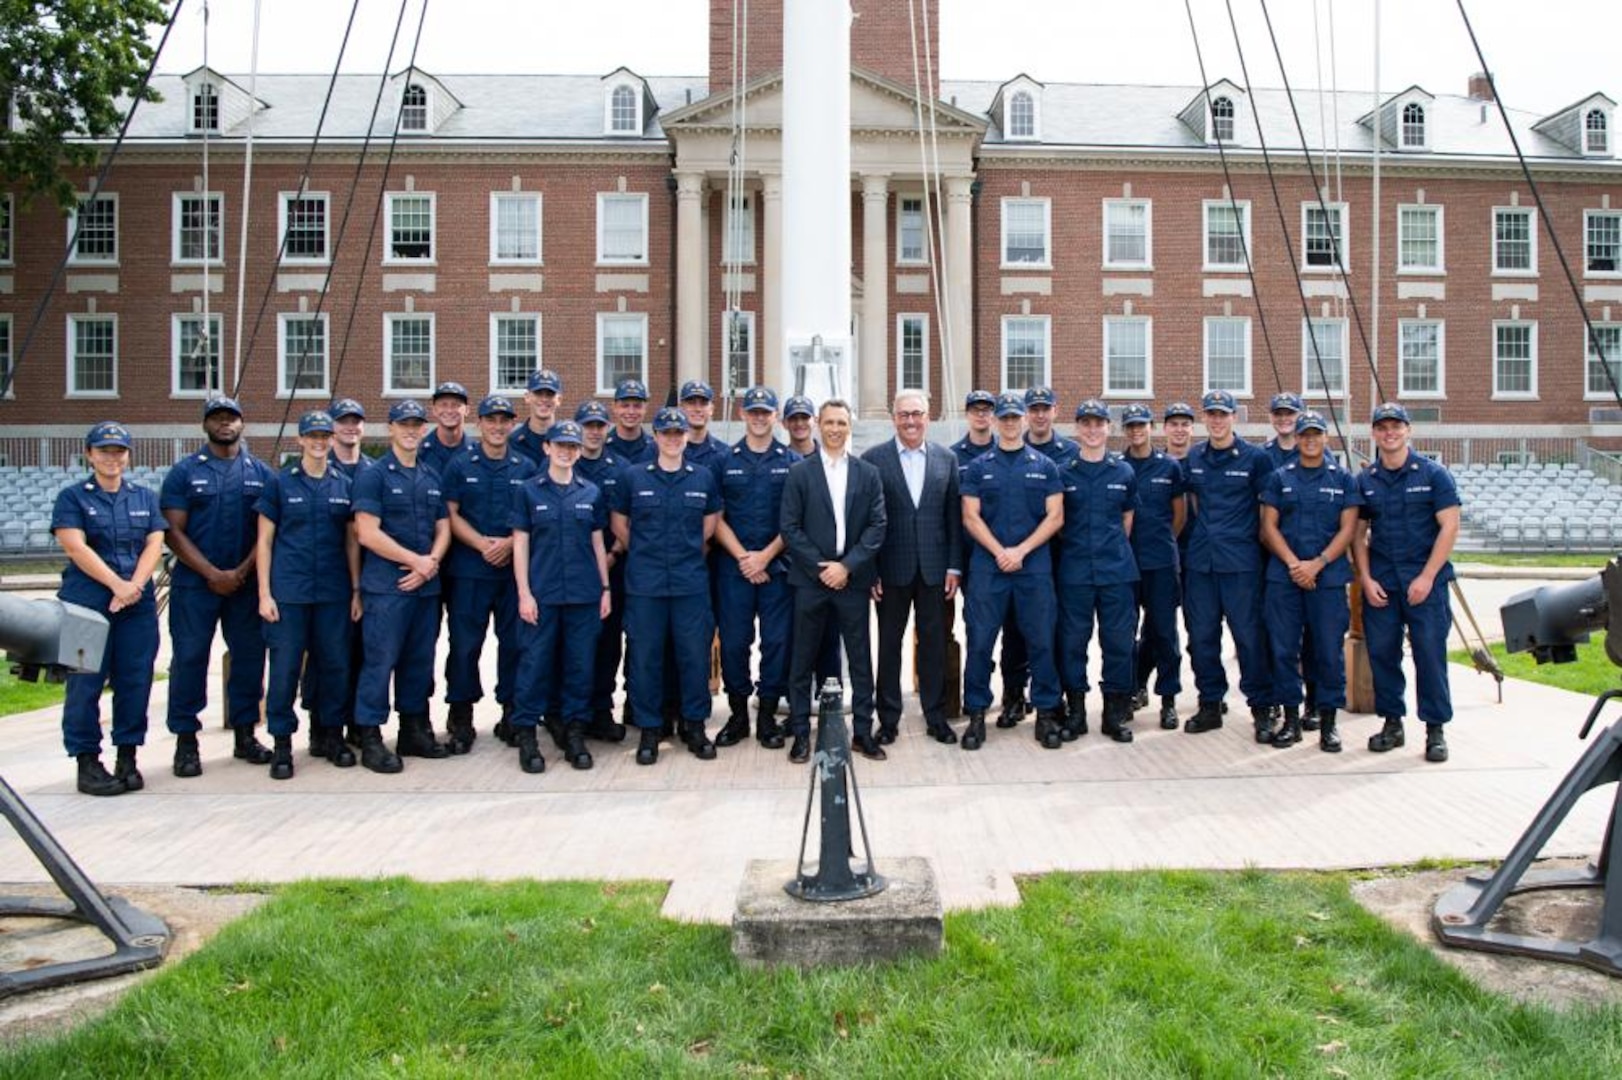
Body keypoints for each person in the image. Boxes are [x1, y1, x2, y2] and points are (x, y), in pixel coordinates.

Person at [160, 396, 274, 778]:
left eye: (231, 418)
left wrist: (240, 572)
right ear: (205, 425)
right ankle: (186, 741)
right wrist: (211, 572)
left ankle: (245, 734)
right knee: (190, 659)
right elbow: (173, 531)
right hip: (195, 584)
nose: (225, 424)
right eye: (217, 418)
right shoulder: (185, 472)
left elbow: (267, 533)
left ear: (243, 423)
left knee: (249, 659)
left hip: (244, 584)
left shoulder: (260, 473)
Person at [51, 422, 166, 796]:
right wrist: (116, 585)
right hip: (86, 603)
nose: (111, 458)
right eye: (104, 451)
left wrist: (132, 586)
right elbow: (75, 547)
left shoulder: (143, 498)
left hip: (136, 603)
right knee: (84, 681)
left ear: (128, 455)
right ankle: (87, 761)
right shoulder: (73, 497)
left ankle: (127, 757)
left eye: (118, 451)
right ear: (90, 454)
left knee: (135, 680)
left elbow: (154, 544)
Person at [610, 407, 722, 765]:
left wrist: (685, 554)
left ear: (687, 437)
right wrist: (646, 553)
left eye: (679, 433)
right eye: (666, 433)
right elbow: (619, 524)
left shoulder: (702, 477)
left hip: (690, 583)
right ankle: (649, 729)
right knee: (645, 658)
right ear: (655, 437)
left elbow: (709, 526)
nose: (673, 439)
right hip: (646, 584)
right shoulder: (634, 476)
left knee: (693, 656)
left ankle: (694, 726)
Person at [1352, 402, 1461, 763]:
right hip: (1383, 582)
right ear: (1374, 434)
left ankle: (1435, 730)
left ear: (1408, 430)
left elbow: (1450, 526)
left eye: (1396, 426)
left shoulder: (1433, 474)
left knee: (1430, 655)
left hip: (1424, 584)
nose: (1389, 433)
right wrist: (1365, 579)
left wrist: (1428, 576)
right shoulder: (1366, 481)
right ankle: (1392, 723)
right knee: (1383, 654)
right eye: (1382, 427)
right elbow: (1359, 534)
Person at [780, 399, 888, 762]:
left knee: (860, 660)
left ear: (849, 426)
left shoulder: (866, 472)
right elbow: (790, 528)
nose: (835, 429)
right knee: (802, 659)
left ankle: (861, 732)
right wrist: (823, 568)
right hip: (810, 582)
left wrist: (848, 566)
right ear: (817, 425)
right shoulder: (800, 473)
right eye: (829, 422)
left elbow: (877, 526)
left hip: (853, 582)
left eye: (842, 422)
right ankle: (799, 734)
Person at [255, 411, 361, 779]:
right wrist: (264, 593)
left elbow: (351, 541)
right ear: (300, 440)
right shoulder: (280, 484)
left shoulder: (342, 484)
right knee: (284, 670)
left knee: (335, 665)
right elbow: (264, 542)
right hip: (290, 592)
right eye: (311, 436)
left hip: (332, 591)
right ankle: (282, 743)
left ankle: (331, 734)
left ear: (332, 439)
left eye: (324, 436)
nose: (318, 442)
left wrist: (355, 590)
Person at [959, 393, 1064, 752]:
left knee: (1041, 641)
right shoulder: (978, 467)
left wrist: (1020, 550)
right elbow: (970, 516)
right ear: (995, 421)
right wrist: (999, 551)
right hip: (988, 568)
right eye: (1002, 417)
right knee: (980, 642)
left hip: (1032, 567)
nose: (1008, 423)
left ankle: (1047, 711)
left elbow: (1056, 516)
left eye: (1013, 417)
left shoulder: (1045, 465)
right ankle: (976, 712)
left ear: (1023, 421)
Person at [351, 399, 452, 770]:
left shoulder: (430, 475)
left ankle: (413, 730)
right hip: (388, 587)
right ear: (390, 428)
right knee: (380, 662)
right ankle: (372, 736)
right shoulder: (374, 475)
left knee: (419, 662)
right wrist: (416, 562)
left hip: (425, 587)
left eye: (416, 424)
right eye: (403, 424)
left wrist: (432, 563)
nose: (411, 430)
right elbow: (366, 532)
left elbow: (443, 527)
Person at [863, 390, 962, 746]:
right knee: (889, 646)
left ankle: (936, 717)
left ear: (928, 416)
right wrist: (870, 570)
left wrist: (954, 566)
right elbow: (868, 520)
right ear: (893, 418)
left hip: (935, 571)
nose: (910, 421)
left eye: (916, 414)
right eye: (904, 414)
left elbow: (953, 516)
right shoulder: (874, 460)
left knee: (933, 645)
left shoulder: (946, 459)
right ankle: (888, 719)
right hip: (890, 571)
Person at [513, 421, 612, 773]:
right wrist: (524, 593)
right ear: (547, 448)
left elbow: (598, 543)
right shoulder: (528, 491)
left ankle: (574, 732)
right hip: (544, 593)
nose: (567, 451)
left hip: (584, 595)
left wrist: (605, 588)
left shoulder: (591, 491)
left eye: (572, 446)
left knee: (579, 667)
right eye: (560, 445)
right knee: (534, 665)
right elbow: (521, 545)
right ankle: (526, 735)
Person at [1259, 410, 1361, 752]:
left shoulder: (1343, 479)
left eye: (1316, 434)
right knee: (1284, 650)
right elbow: (1268, 526)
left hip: (1327, 579)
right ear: (1298, 439)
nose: (1310, 440)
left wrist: (1316, 564)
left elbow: (1348, 528)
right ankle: (1290, 720)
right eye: (1305, 435)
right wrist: (1293, 564)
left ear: (1326, 438)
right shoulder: (1279, 477)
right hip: (1284, 578)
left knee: (1328, 652)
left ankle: (1328, 723)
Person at [441, 395, 537, 753]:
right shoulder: (459, 465)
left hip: (512, 573)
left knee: (514, 644)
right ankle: (461, 716)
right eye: (491, 419)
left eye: (504, 420)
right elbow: (449, 513)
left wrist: (511, 545)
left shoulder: (526, 467)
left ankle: (511, 712)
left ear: (512, 424)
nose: (498, 426)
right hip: (469, 570)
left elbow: (533, 517)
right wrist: (482, 544)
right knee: (465, 647)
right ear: (478, 423)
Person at [1180, 389, 1275, 740]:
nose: (1217, 420)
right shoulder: (1194, 458)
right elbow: (1181, 502)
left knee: (1249, 637)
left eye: (1224, 414)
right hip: (1202, 565)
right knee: (1202, 638)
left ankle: (1261, 707)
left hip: (1241, 564)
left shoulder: (1255, 459)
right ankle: (1210, 703)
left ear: (1235, 417)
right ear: (1204, 418)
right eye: (1212, 414)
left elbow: (1268, 513)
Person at [711, 387, 800, 749]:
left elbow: (795, 519)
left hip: (777, 569)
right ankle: (736, 715)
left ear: (776, 415)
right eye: (753, 412)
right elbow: (715, 518)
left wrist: (765, 557)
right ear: (744, 416)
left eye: (766, 412)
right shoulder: (723, 461)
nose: (760, 418)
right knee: (734, 643)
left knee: (777, 643)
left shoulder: (792, 461)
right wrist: (745, 559)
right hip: (735, 570)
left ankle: (766, 716)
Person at [1053, 399, 1141, 745]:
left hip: (1116, 572)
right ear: (1077, 428)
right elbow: (1058, 523)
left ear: (1109, 428)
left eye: (1098, 423)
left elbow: (1127, 520)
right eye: (1086, 423)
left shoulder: (1124, 472)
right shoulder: (1064, 472)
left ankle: (1114, 713)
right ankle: (1076, 712)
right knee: (1072, 642)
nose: (1092, 430)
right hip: (1075, 572)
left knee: (1118, 643)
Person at [1121, 404, 1186, 730]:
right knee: (1125, 633)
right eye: (1130, 426)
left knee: (1164, 633)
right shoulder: (1117, 467)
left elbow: (1179, 515)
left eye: (1141, 424)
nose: (1136, 431)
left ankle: (1169, 699)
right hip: (1126, 565)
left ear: (1151, 427)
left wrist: (1164, 542)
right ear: (1124, 430)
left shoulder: (1169, 467)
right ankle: (1130, 691)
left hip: (1160, 562)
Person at [315, 397, 373, 751]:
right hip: (325, 576)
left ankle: (353, 721)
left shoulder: (373, 470)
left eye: (355, 421)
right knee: (327, 655)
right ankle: (321, 725)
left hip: (369, 575)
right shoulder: (317, 467)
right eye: (342, 422)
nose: (349, 428)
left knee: (362, 653)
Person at [573, 399, 632, 743]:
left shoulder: (621, 468)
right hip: (572, 574)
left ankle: (601, 710)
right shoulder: (562, 461)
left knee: (610, 644)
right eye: (588, 425)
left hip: (616, 567)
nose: (594, 432)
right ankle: (573, 714)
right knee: (577, 646)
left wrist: (611, 555)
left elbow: (626, 518)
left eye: (599, 426)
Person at [1135, 399, 1197, 713]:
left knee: (1177, 629)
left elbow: (1183, 515)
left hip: (1186, 556)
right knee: (1150, 629)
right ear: (1164, 428)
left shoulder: (1198, 461)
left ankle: (1185, 694)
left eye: (1185, 423)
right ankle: (1137, 684)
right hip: (1148, 557)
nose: (1179, 429)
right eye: (1174, 423)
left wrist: (1165, 543)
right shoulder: (1134, 464)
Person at [509, 369, 564, 468]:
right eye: (538, 393)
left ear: (559, 400)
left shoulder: (567, 443)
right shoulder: (512, 443)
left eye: (549, 394)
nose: (544, 399)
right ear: (527, 397)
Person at [418, 381, 471, 477]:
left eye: (455, 405)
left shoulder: (477, 453)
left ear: (467, 410)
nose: (449, 411)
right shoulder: (419, 453)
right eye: (443, 405)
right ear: (434, 410)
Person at [679, 379, 729, 468]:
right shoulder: (667, 450)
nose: (698, 409)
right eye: (691, 403)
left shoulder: (724, 453)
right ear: (681, 408)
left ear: (712, 409)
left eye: (703, 403)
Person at [606, 378, 653, 463]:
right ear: (614, 407)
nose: (631, 412)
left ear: (646, 408)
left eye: (637, 406)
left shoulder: (655, 448)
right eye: (625, 406)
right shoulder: (602, 447)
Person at [1262, 391, 1303, 470]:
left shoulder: (1315, 452)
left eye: (1290, 413)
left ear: (1300, 416)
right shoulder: (1261, 454)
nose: (1283, 419)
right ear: (1270, 417)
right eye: (1278, 414)